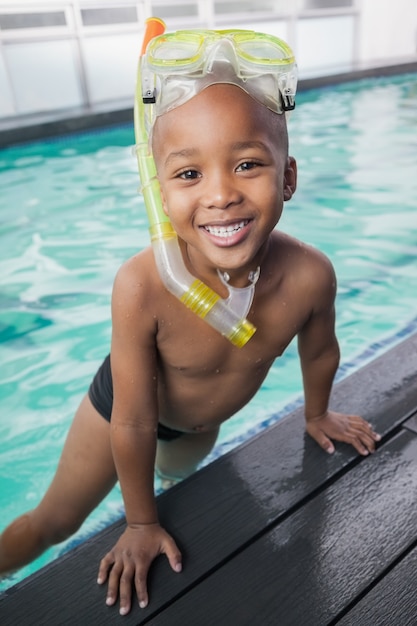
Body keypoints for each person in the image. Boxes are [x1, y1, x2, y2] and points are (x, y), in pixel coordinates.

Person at [0, 25, 380, 616]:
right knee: (54, 522)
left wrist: (317, 412)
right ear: (158, 193)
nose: (221, 194)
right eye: (189, 174)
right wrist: (139, 521)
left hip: (199, 428)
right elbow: (132, 420)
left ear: (289, 177)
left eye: (248, 164)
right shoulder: (143, 287)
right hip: (121, 413)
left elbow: (322, 351)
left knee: (185, 489)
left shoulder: (309, 275)